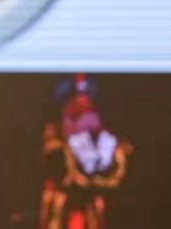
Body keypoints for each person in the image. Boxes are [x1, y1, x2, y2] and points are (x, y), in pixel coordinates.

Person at [40, 75, 133, 229]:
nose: (84, 117)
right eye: (75, 113)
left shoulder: (109, 147)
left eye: (86, 110)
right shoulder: (59, 148)